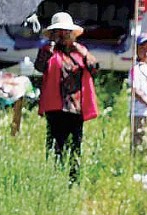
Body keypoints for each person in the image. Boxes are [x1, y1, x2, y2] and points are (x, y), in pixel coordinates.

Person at [35, 12, 100, 184]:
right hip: (55, 107)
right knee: (55, 145)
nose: (63, 35)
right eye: (59, 31)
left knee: (75, 146)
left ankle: (73, 180)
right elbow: (39, 67)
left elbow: (94, 69)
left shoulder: (80, 52)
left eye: (66, 31)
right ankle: (54, 179)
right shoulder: (48, 51)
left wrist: (82, 52)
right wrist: (50, 46)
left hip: (76, 108)